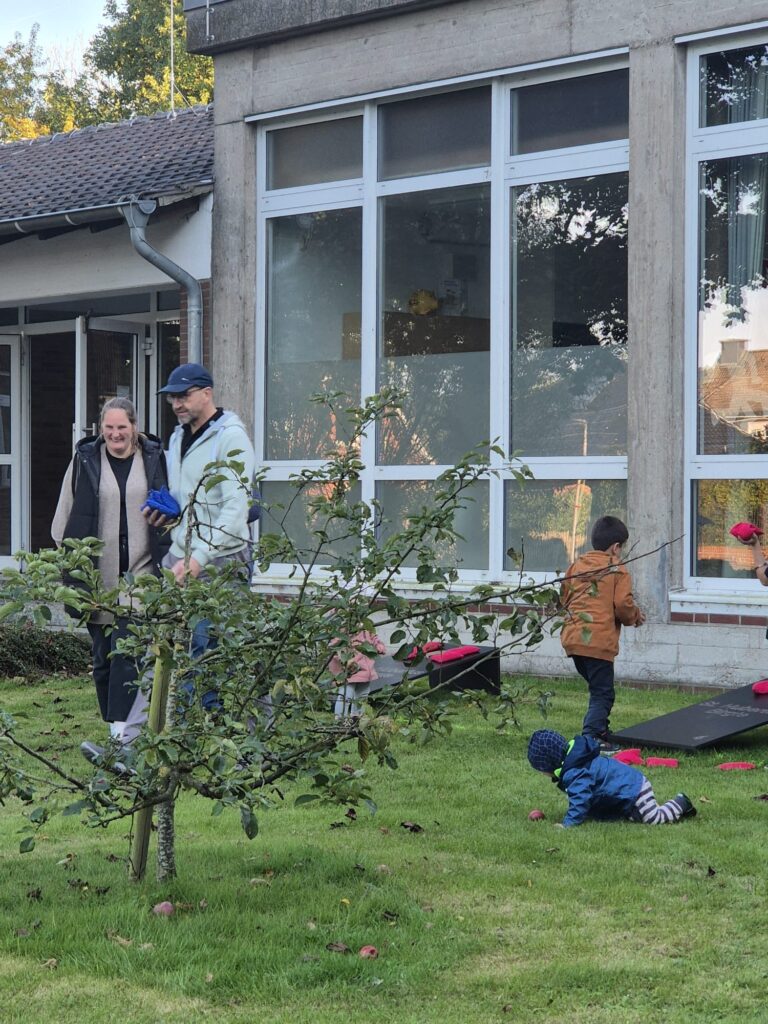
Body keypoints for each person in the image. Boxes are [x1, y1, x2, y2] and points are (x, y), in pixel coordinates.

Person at [51, 397, 169, 762]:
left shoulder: (153, 458)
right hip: (97, 578)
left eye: (122, 427)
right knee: (103, 659)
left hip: (141, 573)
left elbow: (171, 506)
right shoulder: (86, 460)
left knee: (126, 653)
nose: (116, 434)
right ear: (101, 429)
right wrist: (69, 562)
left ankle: (122, 740)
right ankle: (116, 728)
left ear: (134, 427)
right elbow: (66, 513)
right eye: (109, 428)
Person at [149, 362, 256, 709]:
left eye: (184, 395)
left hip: (221, 561)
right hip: (181, 557)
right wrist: (167, 511)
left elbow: (235, 511)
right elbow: (189, 498)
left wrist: (199, 559)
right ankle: (180, 724)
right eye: (172, 398)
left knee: (209, 650)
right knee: (171, 650)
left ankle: (214, 728)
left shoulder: (231, 438)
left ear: (207, 393)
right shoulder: (178, 437)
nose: (177, 404)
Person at [560, 515, 645, 752]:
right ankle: (591, 737)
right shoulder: (616, 569)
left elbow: (564, 597)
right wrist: (635, 617)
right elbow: (623, 605)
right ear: (616, 547)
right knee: (603, 693)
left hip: (573, 639)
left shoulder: (576, 566)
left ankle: (601, 730)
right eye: (622, 548)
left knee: (599, 689)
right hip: (598, 643)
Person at [527, 729, 696, 827]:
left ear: (549, 763)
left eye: (541, 769)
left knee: (653, 818)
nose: (542, 773)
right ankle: (630, 810)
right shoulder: (575, 760)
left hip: (634, 789)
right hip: (626, 790)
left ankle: (682, 802)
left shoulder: (575, 771)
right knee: (635, 817)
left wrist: (568, 824)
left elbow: (580, 798)